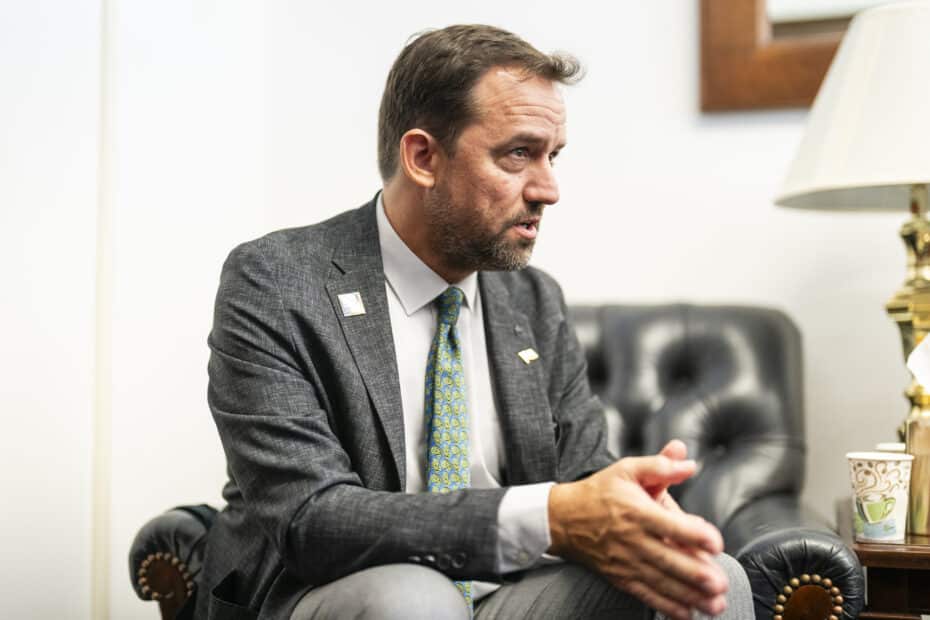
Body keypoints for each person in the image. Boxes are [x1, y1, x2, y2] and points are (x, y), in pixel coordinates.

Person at [197, 24, 753, 620]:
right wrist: (550, 517)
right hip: (322, 587)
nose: (549, 189)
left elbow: (582, 474)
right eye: (518, 153)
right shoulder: (277, 281)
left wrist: (635, 506)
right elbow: (311, 520)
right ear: (423, 157)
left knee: (712, 581)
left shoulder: (533, 300)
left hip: (509, 589)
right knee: (414, 600)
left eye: (552, 155)